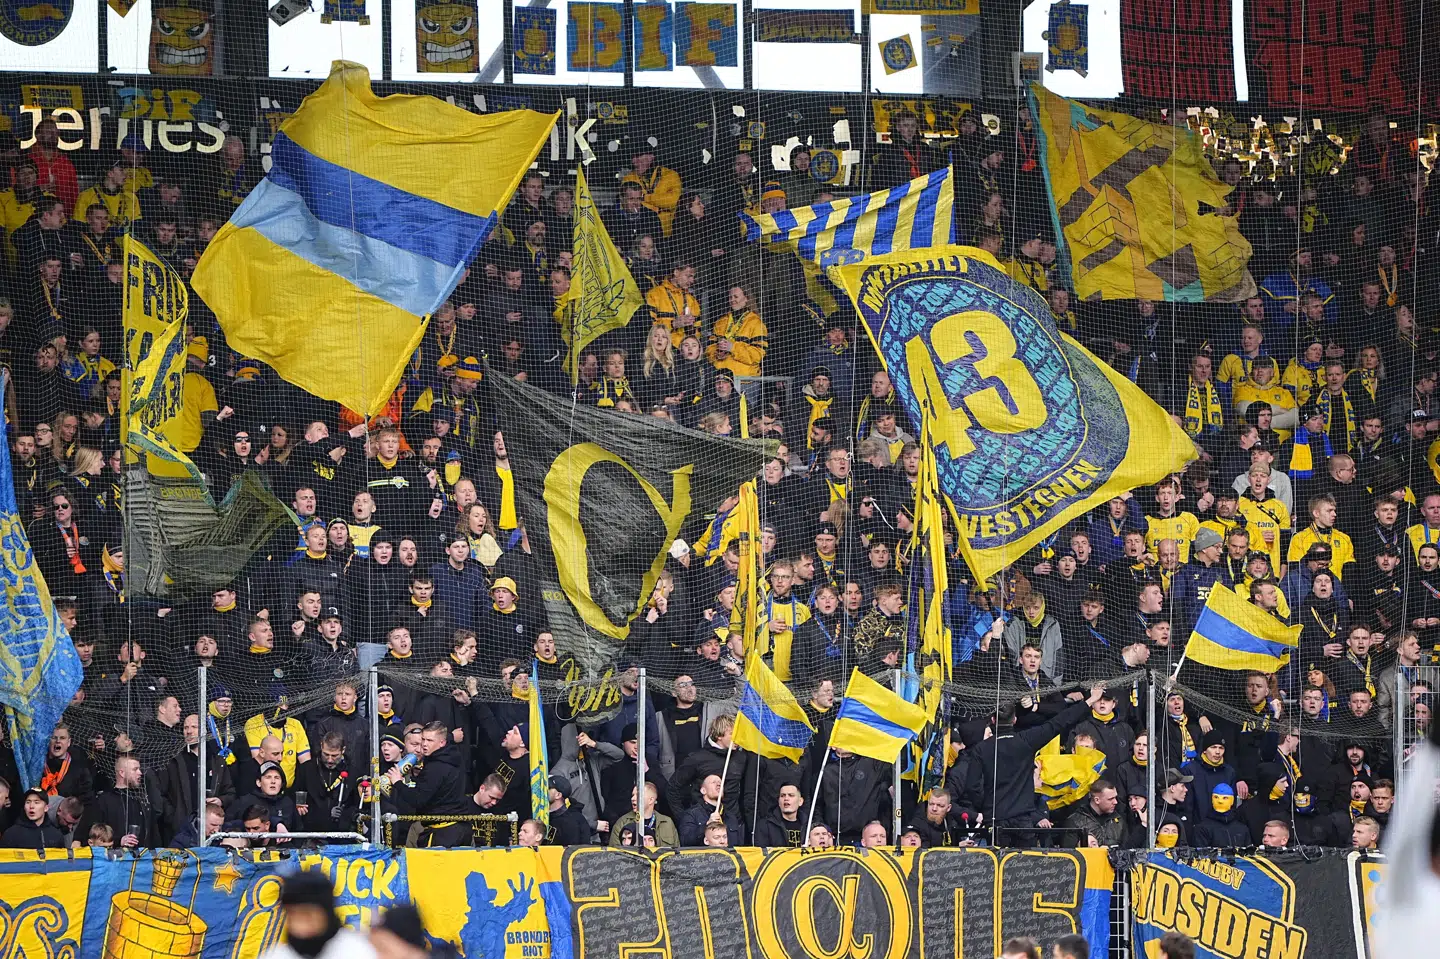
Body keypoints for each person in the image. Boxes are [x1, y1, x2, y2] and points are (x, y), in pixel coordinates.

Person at [263, 871, 376, 959]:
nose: (300, 925)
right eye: (292, 915)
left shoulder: (357, 952)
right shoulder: (278, 955)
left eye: (307, 915)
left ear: (326, 913)